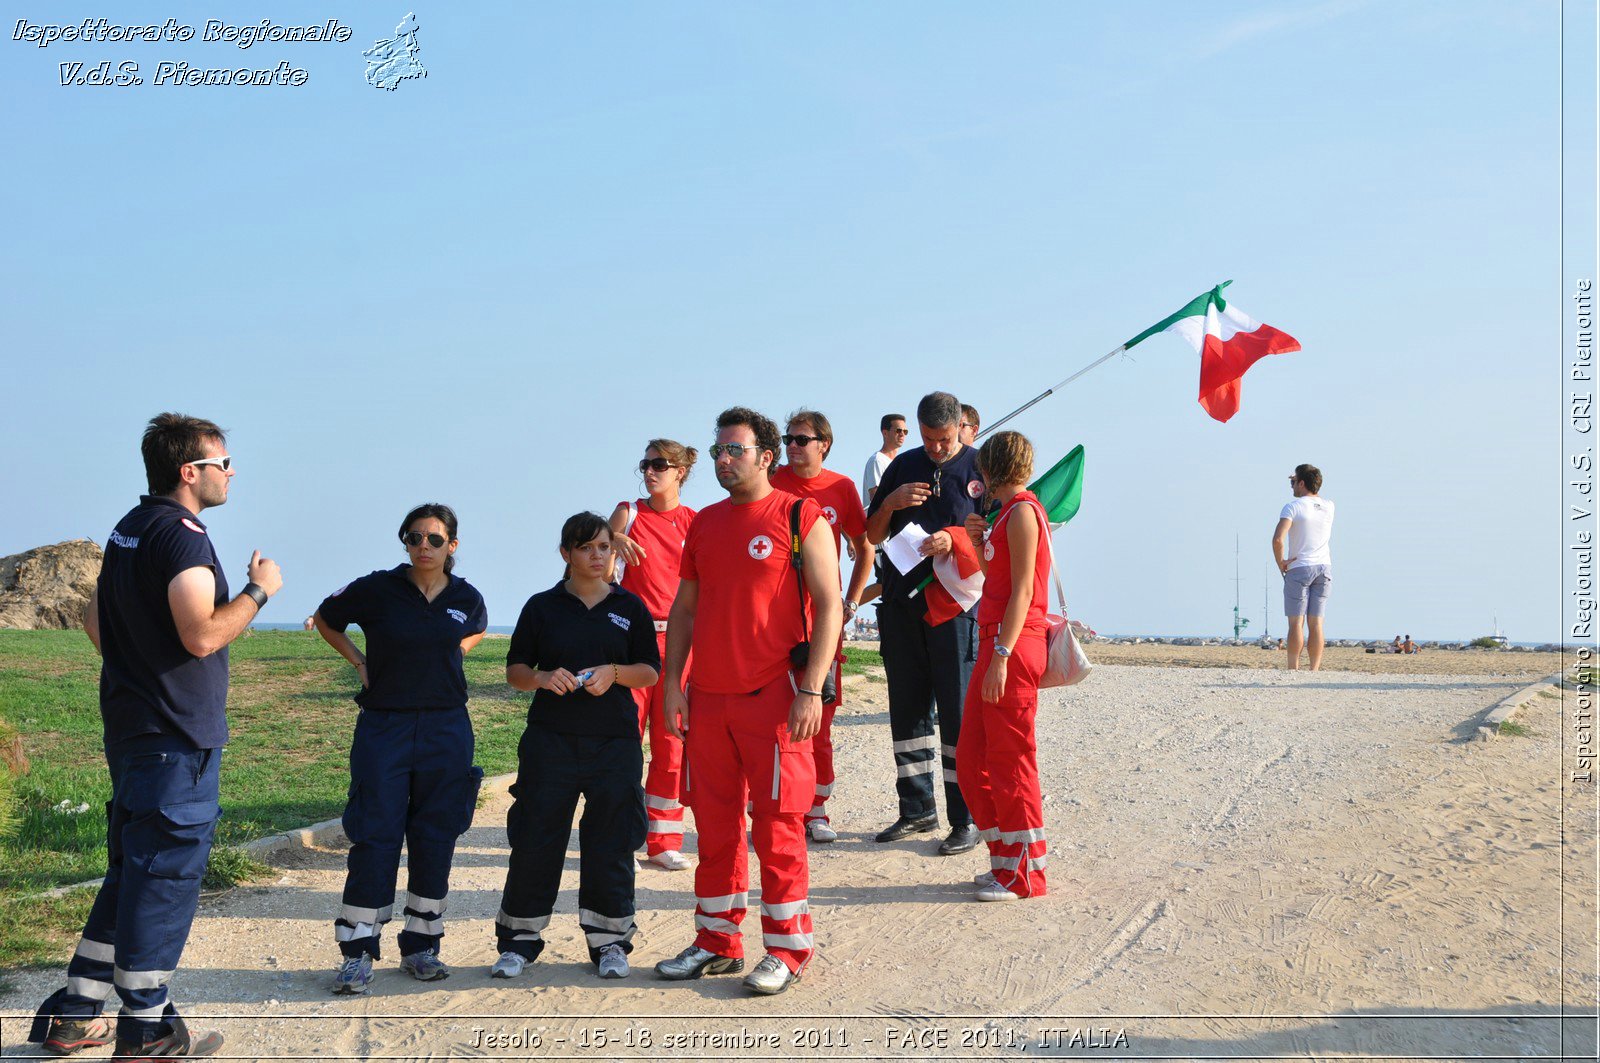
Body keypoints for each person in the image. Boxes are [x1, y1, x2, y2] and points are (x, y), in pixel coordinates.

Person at [30, 413, 282, 1059]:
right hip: (175, 739)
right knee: (163, 875)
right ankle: (148, 1028)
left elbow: (94, 618)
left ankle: (77, 1011)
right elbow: (201, 634)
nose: (231, 473)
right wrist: (258, 590)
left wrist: (137, 673)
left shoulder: (129, 529)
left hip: (133, 729)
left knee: (133, 871)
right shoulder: (183, 536)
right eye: (223, 462)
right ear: (188, 471)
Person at [654, 406, 842, 995]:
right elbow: (683, 610)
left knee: (778, 830)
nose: (723, 460)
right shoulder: (704, 524)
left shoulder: (799, 515)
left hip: (774, 700)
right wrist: (672, 684)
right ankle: (716, 942)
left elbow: (830, 604)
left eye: (735, 450)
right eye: (717, 451)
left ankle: (787, 950)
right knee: (714, 829)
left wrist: (811, 688)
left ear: (767, 457)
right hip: (709, 701)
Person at [313, 503, 487, 993]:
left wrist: (446, 659)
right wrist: (359, 662)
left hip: (447, 730)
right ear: (405, 542)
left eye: (435, 539)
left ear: (452, 545)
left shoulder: (467, 597)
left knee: (437, 836)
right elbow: (328, 620)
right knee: (376, 835)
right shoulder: (376, 588)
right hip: (384, 728)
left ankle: (423, 946)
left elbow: (470, 633)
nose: (424, 546)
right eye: (415, 537)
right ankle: (357, 952)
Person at [494, 513, 661, 980]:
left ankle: (609, 942)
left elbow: (649, 669)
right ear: (566, 554)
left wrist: (614, 673)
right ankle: (518, 942)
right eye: (585, 547)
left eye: (604, 547)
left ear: (613, 552)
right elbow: (515, 671)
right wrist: (544, 677)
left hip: (615, 742)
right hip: (551, 741)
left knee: (612, 842)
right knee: (535, 839)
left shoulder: (630, 607)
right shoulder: (541, 607)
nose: (596, 556)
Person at [864, 391, 982, 856]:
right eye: (928, 439)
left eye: (944, 439)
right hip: (900, 605)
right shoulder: (902, 465)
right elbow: (870, 534)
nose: (935, 448)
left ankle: (965, 817)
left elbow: (996, 536)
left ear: (961, 428)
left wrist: (953, 540)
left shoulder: (979, 469)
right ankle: (916, 810)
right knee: (908, 709)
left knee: (956, 714)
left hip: (955, 609)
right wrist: (889, 503)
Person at [770, 408, 875, 843]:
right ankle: (776, 808)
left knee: (819, 720)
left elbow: (864, 544)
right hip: (775, 622)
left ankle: (816, 811)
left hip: (823, 624)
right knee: (771, 718)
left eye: (800, 439)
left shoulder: (841, 487)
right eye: (787, 439)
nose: (791, 446)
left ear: (823, 445)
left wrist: (850, 601)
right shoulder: (771, 481)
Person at [958, 431, 1051, 901]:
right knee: (975, 757)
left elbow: (1023, 593)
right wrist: (977, 543)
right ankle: (1004, 861)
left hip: (1010, 646)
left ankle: (1024, 875)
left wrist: (1001, 656)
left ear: (989, 469)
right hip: (998, 642)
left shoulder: (1023, 513)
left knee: (1011, 760)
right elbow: (995, 580)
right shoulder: (1008, 514)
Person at [609, 440, 699, 871]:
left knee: (671, 744)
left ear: (680, 470)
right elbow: (596, 564)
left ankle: (663, 841)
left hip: (680, 642)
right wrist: (611, 542)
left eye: (659, 464)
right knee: (624, 739)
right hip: (633, 643)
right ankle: (620, 835)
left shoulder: (695, 522)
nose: (649, 471)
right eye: (645, 464)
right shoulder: (629, 512)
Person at [1273, 464, 1336, 671]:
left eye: (1294, 482)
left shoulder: (1293, 507)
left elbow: (1277, 539)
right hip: (1323, 567)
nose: (1292, 486)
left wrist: (1280, 561)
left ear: (1301, 483)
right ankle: (1315, 669)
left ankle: (1293, 668)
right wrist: (1301, 476)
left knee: (1295, 623)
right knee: (1316, 623)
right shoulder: (1329, 506)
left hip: (1299, 567)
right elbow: (1311, 495)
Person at [861, 413, 908, 507]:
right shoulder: (877, 460)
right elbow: (876, 498)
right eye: (898, 430)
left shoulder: (901, 464)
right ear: (885, 433)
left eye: (905, 431)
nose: (902, 434)